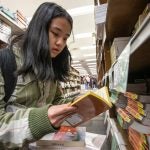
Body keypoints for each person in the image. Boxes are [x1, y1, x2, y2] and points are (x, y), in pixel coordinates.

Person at [0, 2, 77, 149]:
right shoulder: (5, 61)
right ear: (38, 29)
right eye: (55, 33)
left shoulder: (51, 67)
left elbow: (55, 99)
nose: (61, 43)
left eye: (65, 38)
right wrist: (43, 119)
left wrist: (76, 102)